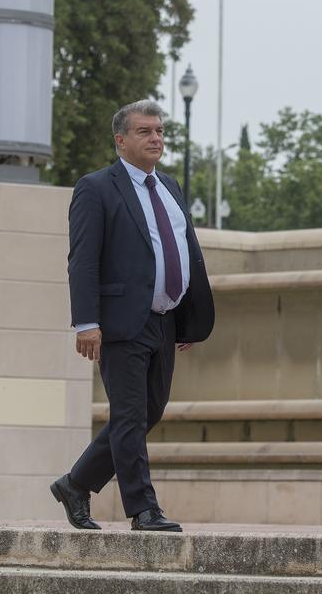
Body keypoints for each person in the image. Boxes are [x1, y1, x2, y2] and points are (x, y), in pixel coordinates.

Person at [50, 100, 214, 532]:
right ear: (121, 141)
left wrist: (188, 317)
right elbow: (83, 260)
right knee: (128, 416)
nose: (156, 138)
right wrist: (87, 322)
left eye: (159, 131)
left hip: (163, 320)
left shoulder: (172, 188)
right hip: (121, 323)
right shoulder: (96, 188)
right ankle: (143, 509)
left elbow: (185, 254)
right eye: (145, 131)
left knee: (149, 412)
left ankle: (76, 483)